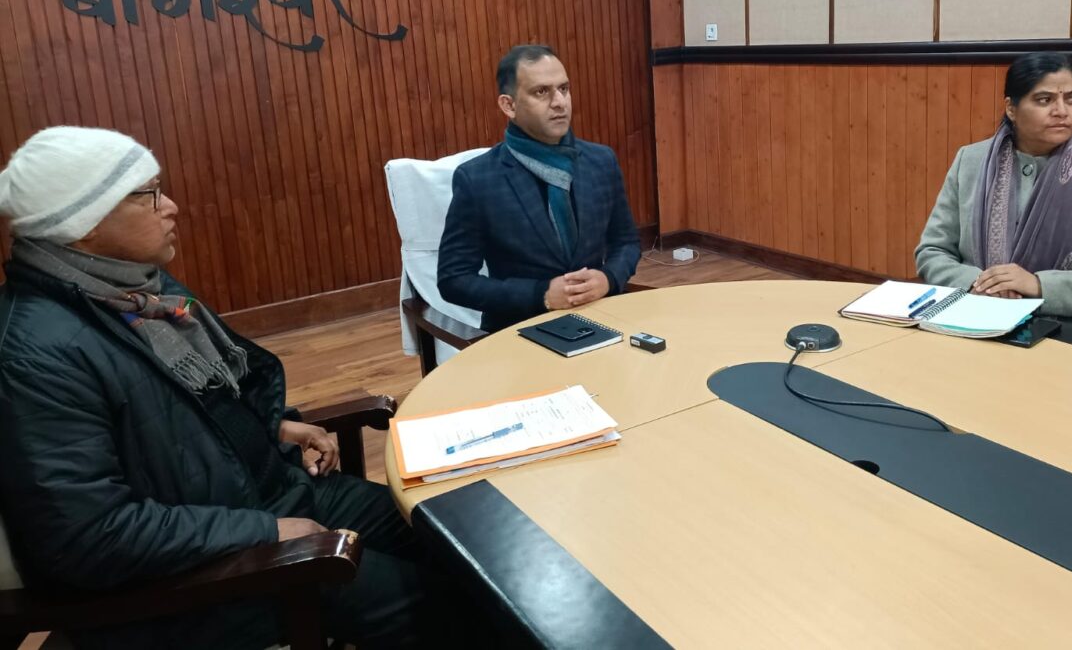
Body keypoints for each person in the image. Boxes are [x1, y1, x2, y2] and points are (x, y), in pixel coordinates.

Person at [0, 127, 457, 649]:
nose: (171, 207)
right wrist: (265, 534)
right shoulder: (35, 354)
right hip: (203, 578)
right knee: (455, 609)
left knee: (460, 537)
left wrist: (275, 425)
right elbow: (83, 538)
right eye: (148, 195)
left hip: (266, 495)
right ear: (82, 224)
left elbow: (188, 408)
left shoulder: (134, 290)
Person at [915, 51, 1072, 325]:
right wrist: (981, 283)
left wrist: (1039, 285)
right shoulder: (971, 161)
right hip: (974, 315)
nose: (1062, 111)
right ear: (1011, 108)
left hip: (1067, 331)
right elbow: (932, 251)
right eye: (1045, 100)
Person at [437, 44, 641, 332]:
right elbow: (454, 279)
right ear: (509, 105)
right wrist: (540, 294)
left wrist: (608, 278)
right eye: (541, 92)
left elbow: (627, 242)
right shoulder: (478, 179)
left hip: (600, 318)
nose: (559, 102)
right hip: (520, 330)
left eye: (564, 89)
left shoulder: (600, 161)